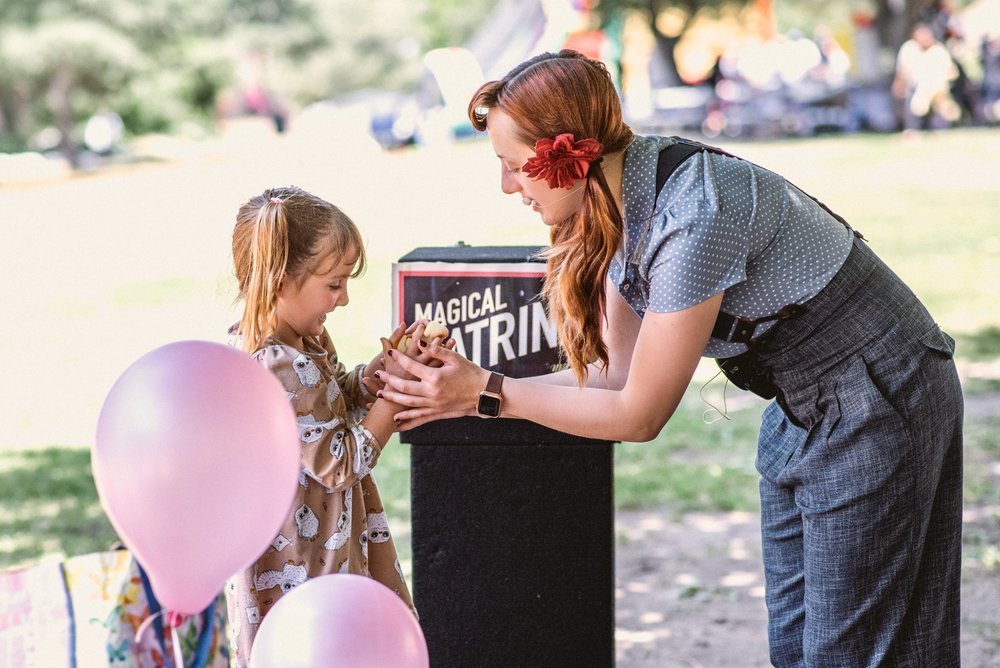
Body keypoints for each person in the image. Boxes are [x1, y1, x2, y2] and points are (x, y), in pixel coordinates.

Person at [377, 50, 965, 666]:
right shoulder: (624, 197)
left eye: (513, 166)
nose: (506, 186)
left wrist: (486, 391)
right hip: (805, 406)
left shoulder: (692, 214)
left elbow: (639, 414)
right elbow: (612, 375)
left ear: (565, 154)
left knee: (853, 654)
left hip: (876, 392)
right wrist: (459, 390)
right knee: (797, 646)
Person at [226, 185, 434, 666]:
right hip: (304, 556)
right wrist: (393, 396)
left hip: (328, 534)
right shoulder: (275, 362)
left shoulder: (304, 339)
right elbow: (339, 461)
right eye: (334, 284)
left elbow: (335, 395)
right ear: (281, 281)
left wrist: (382, 370)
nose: (342, 299)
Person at [892, 23, 961, 132]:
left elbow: (951, 71)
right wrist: (899, 84)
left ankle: (940, 129)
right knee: (914, 105)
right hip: (915, 85)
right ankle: (912, 130)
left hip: (937, 86)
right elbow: (903, 70)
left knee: (942, 108)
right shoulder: (909, 48)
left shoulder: (938, 50)